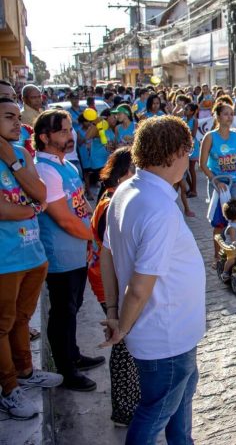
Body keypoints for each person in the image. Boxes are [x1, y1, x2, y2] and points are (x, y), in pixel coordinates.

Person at [99, 116, 203, 444]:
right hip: (165, 335)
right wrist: (121, 326)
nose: (189, 160)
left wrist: (115, 311)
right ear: (173, 154)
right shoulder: (158, 207)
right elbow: (140, 286)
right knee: (155, 412)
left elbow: (107, 254)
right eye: (187, 152)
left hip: (172, 333)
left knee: (178, 405)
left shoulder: (127, 188)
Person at [0, 97, 63, 420]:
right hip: (4, 260)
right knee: (2, 325)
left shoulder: (21, 154)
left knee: (22, 319)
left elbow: (40, 194)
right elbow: (4, 208)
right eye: (9, 117)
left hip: (32, 254)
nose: (18, 122)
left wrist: (12, 162)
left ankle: (25, 371)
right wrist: (30, 208)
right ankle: (8, 388)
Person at [33, 109, 102, 392]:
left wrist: (90, 232)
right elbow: (63, 219)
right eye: (62, 131)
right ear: (44, 137)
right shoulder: (45, 170)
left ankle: (73, 354)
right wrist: (97, 237)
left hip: (78, 252)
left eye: (70, 128)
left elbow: (81, 204)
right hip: (61, 255)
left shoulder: (67, 165)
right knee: (63, 313)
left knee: (74, 308)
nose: (70, 134)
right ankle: (66, 370)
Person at [87, 147, 140, 426]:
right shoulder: (112, 204)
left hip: (111, 282)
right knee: (122, 343)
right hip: (111, 284)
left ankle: (128, 402)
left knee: (124, 341)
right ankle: (124, 408)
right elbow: (115, 253)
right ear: (126, 173)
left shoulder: (111, 197)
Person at [200, 101, 236, 267]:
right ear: (218, 116)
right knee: (219, 222)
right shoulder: (210, 137)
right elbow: (203, 165)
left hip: (235, 182)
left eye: (231, 113)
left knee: (235, 218)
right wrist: (215, 181)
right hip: (218, 185)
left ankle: (234, 252)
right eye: (226, 113)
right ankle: (217, 256)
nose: (230, 117)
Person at [183, 102, 200, 197]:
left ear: (192, 112)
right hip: (184, 146)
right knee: (184, 169)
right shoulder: (183, 119)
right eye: (185, 109)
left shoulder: (194, 121)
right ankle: (190, 188)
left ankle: (194, 190)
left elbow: (193, 135)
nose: (184, 111)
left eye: (187, 109)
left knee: (191, 169)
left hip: (192, 146)